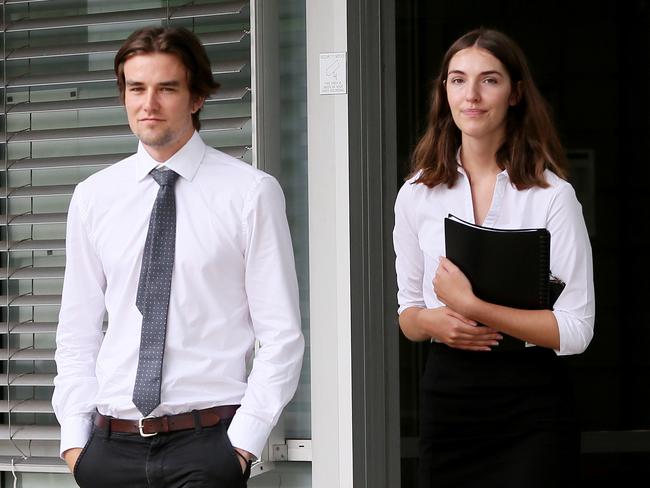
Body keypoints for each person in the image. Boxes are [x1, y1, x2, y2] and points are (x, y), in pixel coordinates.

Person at [52, 26, 304, 488]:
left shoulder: (250, 195)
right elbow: (77, 331)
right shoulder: (93, 198)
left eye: (166, 88)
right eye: (136, 88)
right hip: (109, 448)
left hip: (206, 446)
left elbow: (282, 337)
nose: (149, 103)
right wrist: (75, 444)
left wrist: (241, 446)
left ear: (196, 97)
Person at [393, 27, 595, 488]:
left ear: (516, 93)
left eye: (490, 80)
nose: (472, 95)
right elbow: (407, 313)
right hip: (450, 399)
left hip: (532, 402)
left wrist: (472, 308)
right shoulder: (417, 195)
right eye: (458, 80)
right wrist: (431, 323)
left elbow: (577, 330)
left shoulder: (552, 197)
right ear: (444, 92)